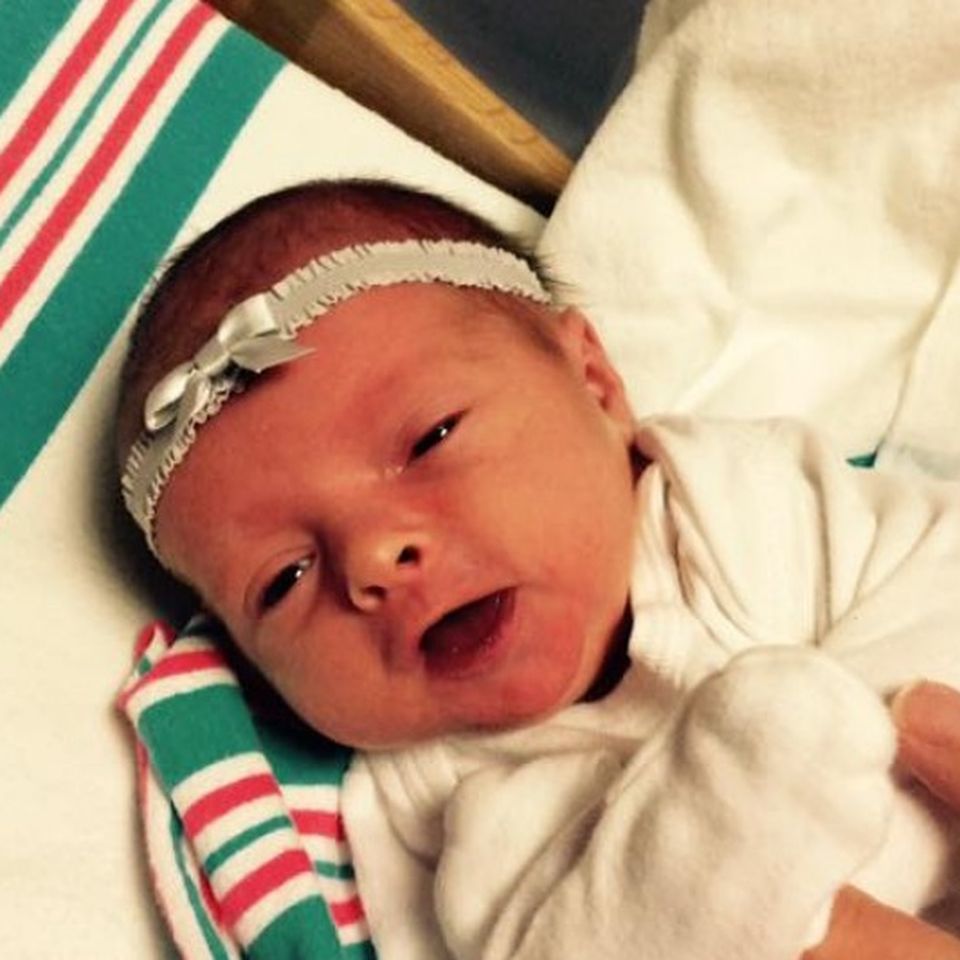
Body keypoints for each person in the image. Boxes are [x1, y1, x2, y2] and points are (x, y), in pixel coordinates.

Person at [116, 179, 960, 960]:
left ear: (594, 383)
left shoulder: (740, 501)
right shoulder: (433, 812)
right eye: (283, 580)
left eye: (430, 439)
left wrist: (796, 863)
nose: (373, 558)